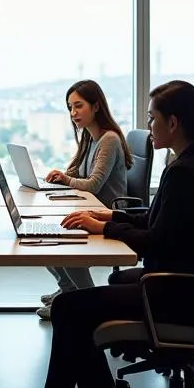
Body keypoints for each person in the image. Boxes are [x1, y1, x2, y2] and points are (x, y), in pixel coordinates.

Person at [0, 80, 194, 388]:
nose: (149, 125)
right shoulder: (192, 164)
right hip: (181, 284)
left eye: (153, 118)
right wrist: (106, 222)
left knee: (68, 308)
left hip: (178, 293)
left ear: (173, 122)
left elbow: (158, 239)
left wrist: (107, 230)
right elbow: (157, 218)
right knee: (76, 306)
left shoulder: (188, 172)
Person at [37, 79, 131, 320]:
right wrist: (63, 177)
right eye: (70, 107)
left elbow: (93, 184)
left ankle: (90, 302)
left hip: (104, 213)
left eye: (78, 106)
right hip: (89, 207)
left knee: (62, 244)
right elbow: (80, 175)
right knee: (43, 236)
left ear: (96, 106)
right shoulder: (90, 137)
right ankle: (68, 292)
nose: (73, 113)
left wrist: (66, 180)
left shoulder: (108, 139)